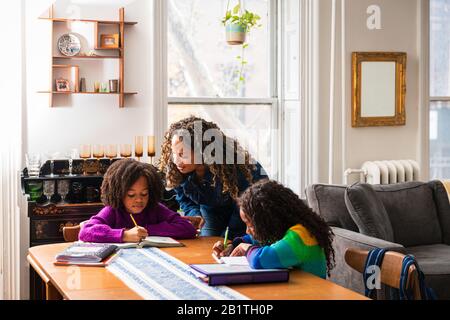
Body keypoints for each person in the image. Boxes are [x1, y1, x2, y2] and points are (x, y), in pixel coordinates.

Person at [159, 116, 267, 239]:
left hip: (248, 213)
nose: (176, 160)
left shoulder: (238, 168)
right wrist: (196, 215)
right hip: (211, 211)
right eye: (174, 153)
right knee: (208, 245)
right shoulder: (178, 170)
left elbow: (243, 208)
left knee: (230, 245)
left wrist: (229, 237)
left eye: (182, 154)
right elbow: (185, 200)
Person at [212, 180, 335, 279]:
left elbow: (260, 259)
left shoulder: (300, 236)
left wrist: (246, 248)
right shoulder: (281, 231)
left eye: (250, 225)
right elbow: (255, 240)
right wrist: (233, 246)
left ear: (268, 221)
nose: (247, 231)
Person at [79, 159, 197, 243]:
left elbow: (188, 229)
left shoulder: (154, 208)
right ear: (118, 193)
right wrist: (124, 235)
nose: (139, 199)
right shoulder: (112, 211)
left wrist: (146, 230)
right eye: (131, 195)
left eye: (144, 194)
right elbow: (85, 232)